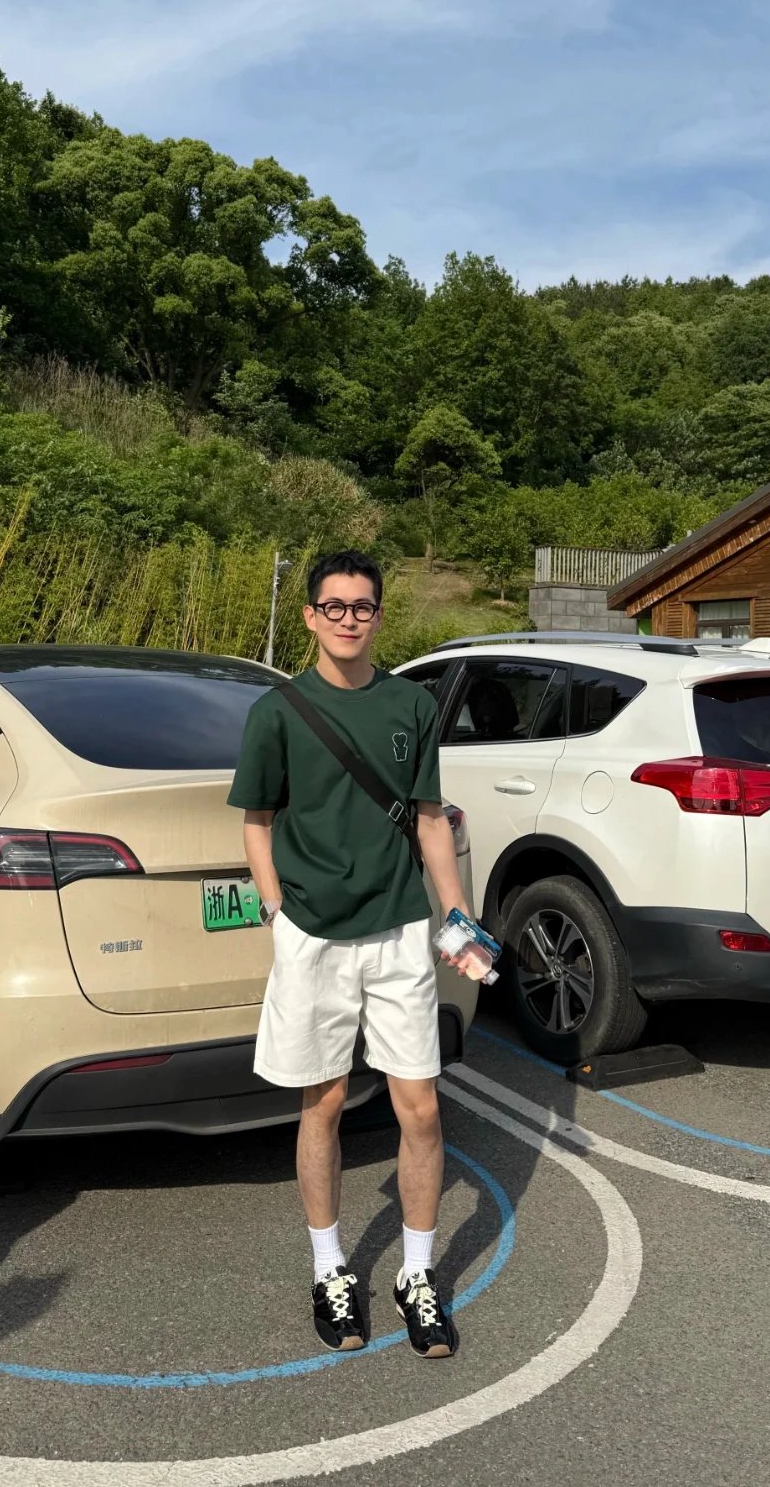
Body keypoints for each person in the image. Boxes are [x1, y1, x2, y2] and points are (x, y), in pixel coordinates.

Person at [228, 548, 478, 1359]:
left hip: (400, 928)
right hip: (314, 935)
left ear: (378, 615)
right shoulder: (277, 713)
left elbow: (429, 818)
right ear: (310, 616)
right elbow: (257, 821)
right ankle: (330, 1268)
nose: (348, 619)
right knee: (325, 1103)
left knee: (421, 1108)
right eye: (333, 606)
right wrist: (277, 910)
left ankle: (416, 1274)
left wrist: (457, 915)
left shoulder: (411, 704)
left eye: (361, 606)